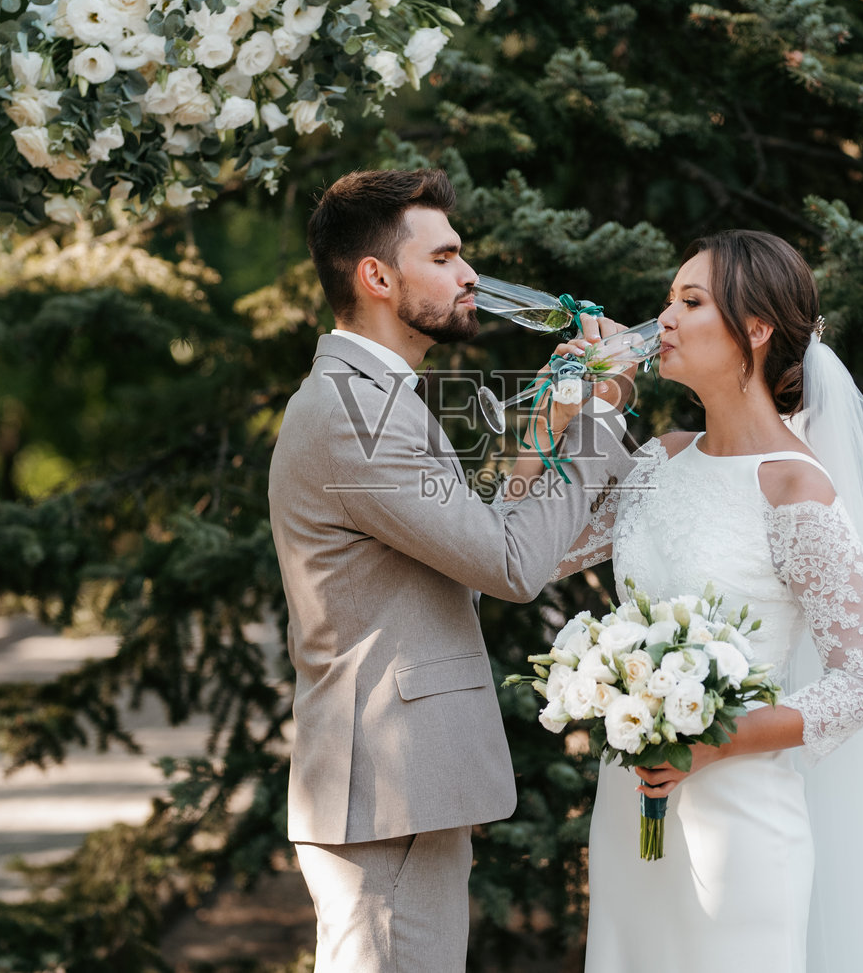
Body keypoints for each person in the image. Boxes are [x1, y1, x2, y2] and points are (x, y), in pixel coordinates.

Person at [504, 229, 863, 971]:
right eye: (667, 301)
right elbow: (528, 548)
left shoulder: (794, 488)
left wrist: (711, 741)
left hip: (740, 824)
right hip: (632, 811)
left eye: (691, 302)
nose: (666, 322)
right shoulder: (659, 458)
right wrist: (561, 415)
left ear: (756, 330)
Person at [267, 168, 639, 973]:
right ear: (377, 276)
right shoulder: (347, 411)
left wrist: (560, 415)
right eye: (446, 256)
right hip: (386, 795)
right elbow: (510, 563)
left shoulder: (378, 397)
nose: (470, 275)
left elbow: (470, 548)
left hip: (398, 794)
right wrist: (604, 417)